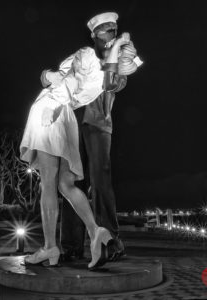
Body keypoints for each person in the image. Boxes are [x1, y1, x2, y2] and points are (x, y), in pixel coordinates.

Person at [41, 12, 142, 262]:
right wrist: (47, 75)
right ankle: (71, 247)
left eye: (114, 31)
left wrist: (118, 51)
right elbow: (51, 78)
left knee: (100, 182)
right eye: (106, 31)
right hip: (71, 126)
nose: (111, 35)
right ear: (94, 35)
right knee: (71, 183)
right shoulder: (81, 57)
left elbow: (110, 84)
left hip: (98, 126)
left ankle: (112, 242)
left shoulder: (118, 64)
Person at [20, 47, 120, 270]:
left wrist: (53, 103)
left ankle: (49, 247)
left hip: (51, 109)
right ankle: (96, 231)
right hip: (67, 119)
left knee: (47, 183)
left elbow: (68, 84)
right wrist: (50, 75)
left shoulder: (88, 57)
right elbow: (59, 80)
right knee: (66, 184)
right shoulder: (98, 77)